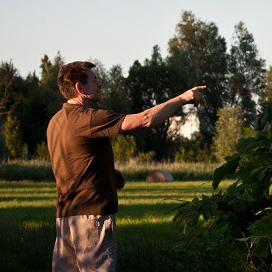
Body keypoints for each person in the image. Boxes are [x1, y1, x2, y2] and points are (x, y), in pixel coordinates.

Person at [47, 61, 204, 271]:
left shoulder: (55, 122)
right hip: (91, 218)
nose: (100, 85)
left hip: (65, 218)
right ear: (79, 88)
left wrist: (109, 174)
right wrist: (183, 98)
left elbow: (74, 161)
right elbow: (145, 119)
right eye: (95, 80)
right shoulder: (90, 118)